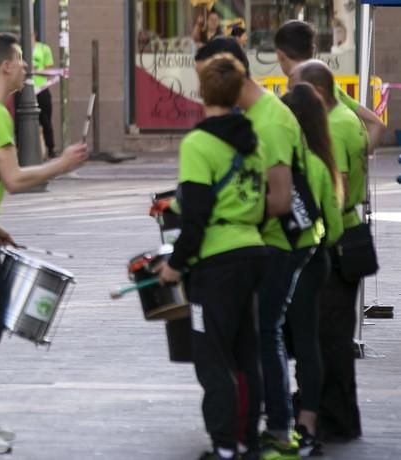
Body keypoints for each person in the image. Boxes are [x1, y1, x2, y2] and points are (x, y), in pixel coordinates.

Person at [0, 34, 88, 454]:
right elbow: (14, 178)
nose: (27, 67)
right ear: (5, 66)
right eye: (21, 60)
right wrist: (61, 164)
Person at [195, 37, 315, 459]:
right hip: (267, 241)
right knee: (258, 334)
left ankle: (279, 430)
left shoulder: (268, 121)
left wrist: (226, 218)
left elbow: (279, 199)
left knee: (264, 333)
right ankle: (262, 425)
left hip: (284, 240)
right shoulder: (253, 116)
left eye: (205, 81)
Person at [155, 53, 266, 460]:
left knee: (212, 356)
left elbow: (196, 217)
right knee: (245, 355)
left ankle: (223, 445)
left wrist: (175, 266)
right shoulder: (253, 139)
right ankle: (247, 439)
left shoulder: (199, 144)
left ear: (202, 91)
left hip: (216, 261)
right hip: (253, 251)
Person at [289, 60, 368, 442]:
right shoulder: (346, 117)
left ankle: (333, 420)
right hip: (347, 237)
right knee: (332, 336)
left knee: (329, 338)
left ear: (315, 93)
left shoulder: (333, 129)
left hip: (337, 245)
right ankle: (338, 417)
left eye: (296, 90)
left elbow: (334, 197)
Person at [281, 82, 345, 456]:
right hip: (315, 261)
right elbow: (333, 227)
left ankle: (280, 418)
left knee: (276, 338)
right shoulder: (323, 164)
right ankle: (307, 422)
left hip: (283, 258)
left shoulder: (282, 158)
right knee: (308, 342)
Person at [274, 20, 384, 155]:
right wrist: (356, 162)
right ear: (312, 50)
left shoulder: (294, 98)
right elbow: (376, 125)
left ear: (280, 55)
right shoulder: (330, 87)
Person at [32, 32, 56, 158]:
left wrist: (36, 71)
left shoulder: (44, 49)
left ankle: (50, 148)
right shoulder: (19, 49)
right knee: (21, 122)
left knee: (45, 119)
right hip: (25, 88)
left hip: (41, 87)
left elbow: (49, 69)